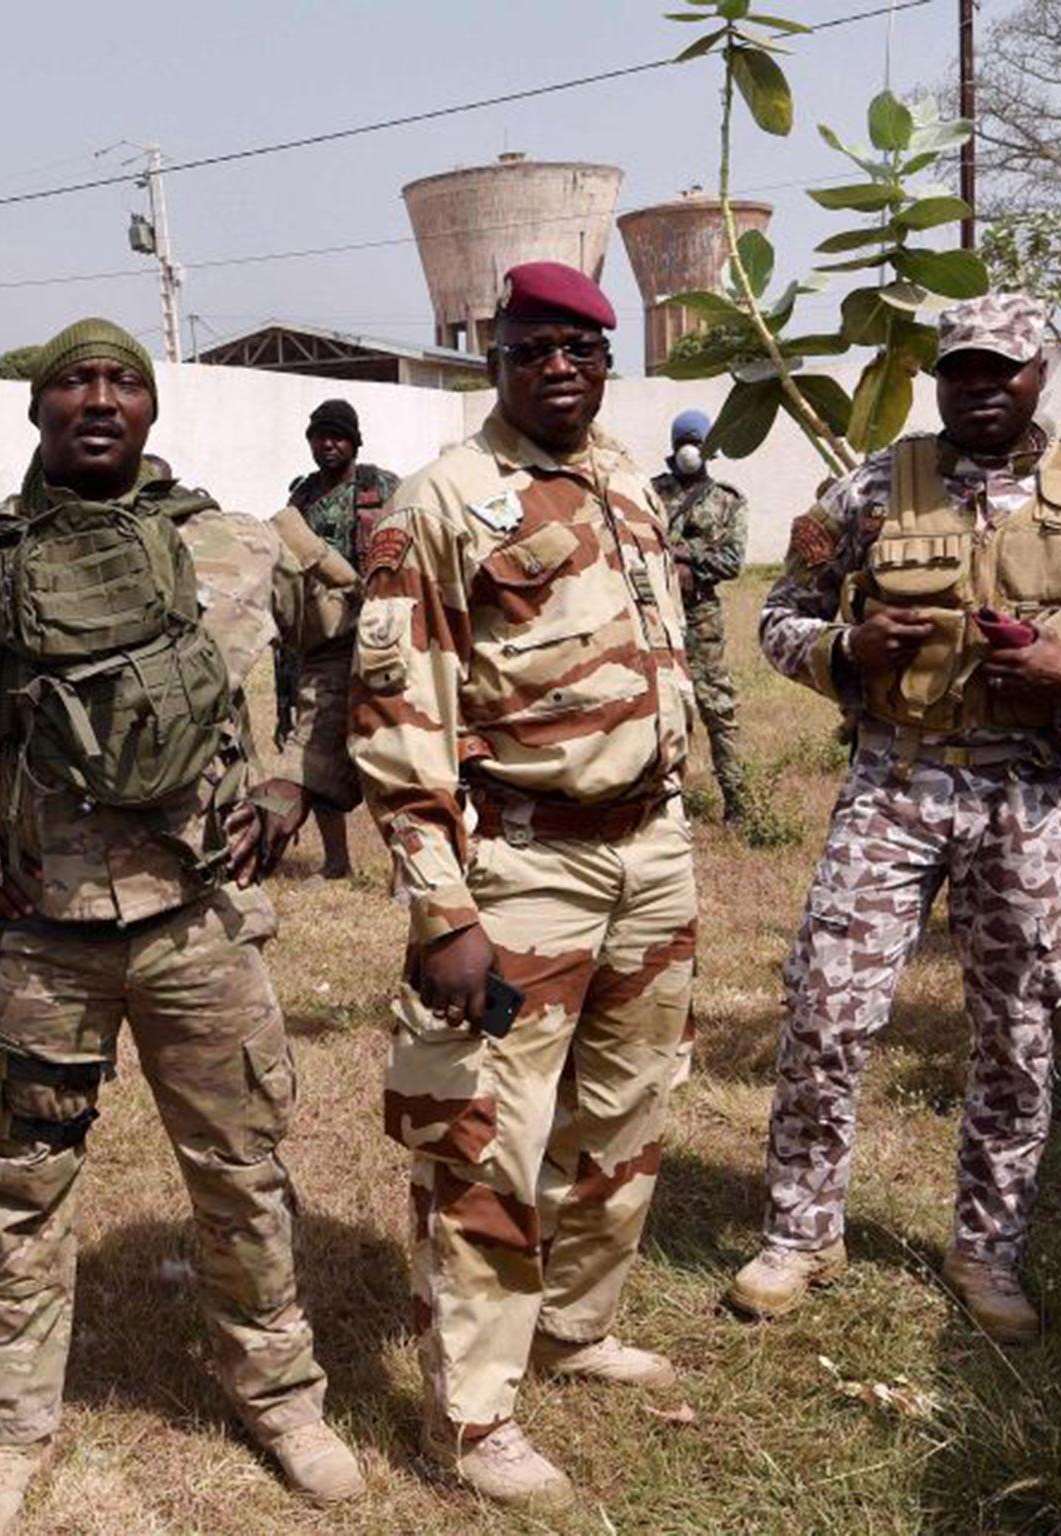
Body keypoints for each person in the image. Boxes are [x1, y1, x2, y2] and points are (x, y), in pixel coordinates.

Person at [0, 318, 364, 1536]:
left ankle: (281, 1399)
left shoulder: (244, 541)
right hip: (36, 935)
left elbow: (350, 647)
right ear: (36, 409)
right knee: (22, 1183)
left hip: (202, 924)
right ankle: (9, 1435)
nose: (97, 400)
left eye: (121, 382)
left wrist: (295, 782)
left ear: (150, 409)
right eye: (71, 382)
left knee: (241, 1171)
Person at [727, 294, 1061, 1345]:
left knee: (1016, 1037)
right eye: (961, 370)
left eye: (1004, 369)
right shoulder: (867, 492)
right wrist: (845, 651)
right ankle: (802, 1234)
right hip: (892, 783)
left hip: (1022, 799)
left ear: (1038, 376)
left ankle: (986, 1250)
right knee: (825, 1011)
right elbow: (777, 615)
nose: (981, 387)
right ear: (938, 379)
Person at [348, 262, 698, 1509]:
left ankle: (575, 1325)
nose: (559, 367)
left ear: (607, 363)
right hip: (522, 861)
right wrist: (443, 910)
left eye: (581, 349)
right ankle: (479, 1408)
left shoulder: (622, 478)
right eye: (533, 348)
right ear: (492, 359)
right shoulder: (438, 505)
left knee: (625, 1108)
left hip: (648, 852)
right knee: (488, 1133)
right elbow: (398, 723)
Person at [277, 398, 399, 879]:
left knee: (388, 752)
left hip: (379, 635)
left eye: (338, 435)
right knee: (315, 752)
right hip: (323, 643)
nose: (328, 444)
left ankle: (402, 868)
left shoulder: (383, 487)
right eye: (320, 435)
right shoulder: (300, 500)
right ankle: (336, 862)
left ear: (355, 441)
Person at [653, 409, 750, 821]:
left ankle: (739, 804)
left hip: (701, 617)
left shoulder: (727, 499)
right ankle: (660, 804)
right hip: (653, 612)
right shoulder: (648, 492)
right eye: (683, 441)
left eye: (696, 441)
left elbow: (732, 560)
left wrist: (683, 559)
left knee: (716, 706)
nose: (689, 449)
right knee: (657, 707)